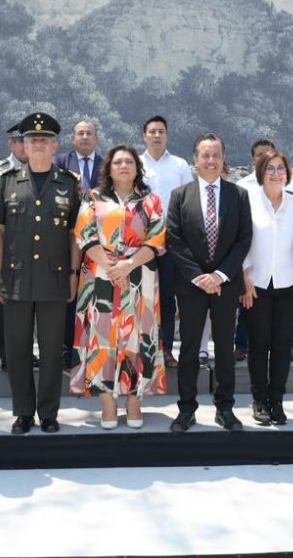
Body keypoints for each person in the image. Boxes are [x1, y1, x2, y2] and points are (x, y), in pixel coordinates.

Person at [0, 111, 81, 435]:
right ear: (23, 146)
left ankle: (48, 413)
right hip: (16, 279)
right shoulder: (8, 183)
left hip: (55, 280)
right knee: (16, 350)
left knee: (52, 350)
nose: (38, 144)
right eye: (32, 139)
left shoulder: (69, 185)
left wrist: (73, 275)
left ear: (55, 145)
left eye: (44, 139)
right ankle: (23, 412)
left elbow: (75, 235)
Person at [69, 144, 167, 428]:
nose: (123, 166)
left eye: (129, 162)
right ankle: (107, 403)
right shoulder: (93, 198)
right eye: (117, 162)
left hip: (140, 280)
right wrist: (114, 268)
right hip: (100, 278)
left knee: (137, 337)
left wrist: (129, 265)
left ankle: (134, 400)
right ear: (109, 168)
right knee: (102, 338)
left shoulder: (152, 201)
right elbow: (84, 235)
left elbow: (157, 240)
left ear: (137, 168)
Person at [167, 133, 252, 433]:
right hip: (191, 286)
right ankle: (186, 409)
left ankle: (225, 408)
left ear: (223, 158)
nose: (211, 160)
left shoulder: (238, 195)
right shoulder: (180, 195)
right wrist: (199, 277)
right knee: (189, 348)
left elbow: (244, 240)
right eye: (205, 155)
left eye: (216, 155)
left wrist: (220, 275)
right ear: (195, 159)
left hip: (226, 285)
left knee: (225, 348)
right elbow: (174, 240)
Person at [240, 148, 293, 425]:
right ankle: (259, 400)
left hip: (290, 283)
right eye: (270, 168)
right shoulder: (248, 202)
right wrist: (244, 279)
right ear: (261, 172)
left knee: (281, 344)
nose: (276, 173)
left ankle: (277, 399)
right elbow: (240, 241)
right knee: (258, 343)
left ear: (287, 174)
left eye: (281, 169)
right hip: (254, 284)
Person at [140, 115, 193, 369]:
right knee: (142, 299)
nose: (157, 135)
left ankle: (167, 350)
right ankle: (141, 351)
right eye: (152, 131)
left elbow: (189, 203)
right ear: (144, 136)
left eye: (161, 131)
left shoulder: (180, 165)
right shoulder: (136, 164)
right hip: (140, 243)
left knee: (168, 299)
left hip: (172, 242)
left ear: (167, 135)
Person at [55, 120, 104, 368]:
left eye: (89, 133)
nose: (85, 137)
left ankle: (94, 347)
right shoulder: (60, 163)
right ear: (73, 138)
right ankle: (66, 348)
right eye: (80, 133)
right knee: (69, 296)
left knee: (97, 297)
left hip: (100, 241)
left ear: (96, 138)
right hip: (67, 241)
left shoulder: (107, 166)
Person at [0, 122, 28, 371]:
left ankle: (26, 353)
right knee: (7, 303)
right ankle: (8, 356)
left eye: (28, 140)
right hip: (8, 245)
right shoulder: (0, 171)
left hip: (34, 246)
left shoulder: (41, 168)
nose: (24, 145)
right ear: (12, 143)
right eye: (19, 141)